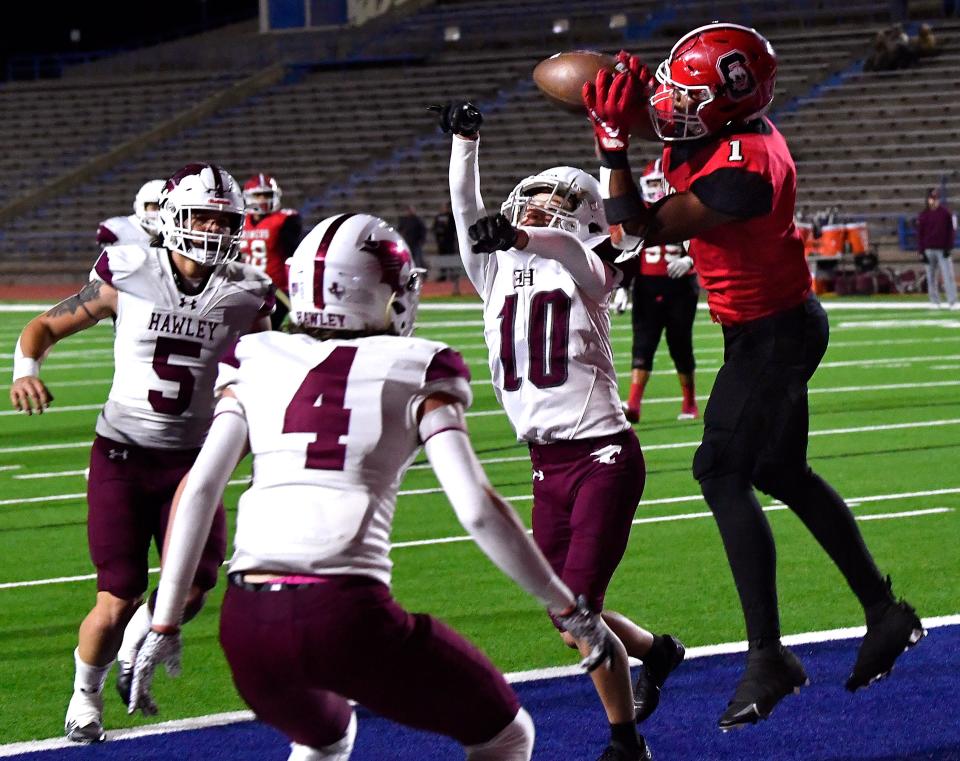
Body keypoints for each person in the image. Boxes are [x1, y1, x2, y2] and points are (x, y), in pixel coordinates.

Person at [126, 212, 614, 761]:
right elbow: (476, 508)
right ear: (382, 292)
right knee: (506, 734)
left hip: (246, 622)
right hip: (344, 611)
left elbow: (199, 488)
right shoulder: (418, 365)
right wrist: (566, 607)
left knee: (323, 739)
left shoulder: (257, 357)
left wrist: (163, 621)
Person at [582, 23, 925, 732]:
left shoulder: (745, 170)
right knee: (782, 470)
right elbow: (674, 123)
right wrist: (637, 87)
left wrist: (613, 144)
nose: (672, 102)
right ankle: (884, 611)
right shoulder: (722, 125)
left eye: (688, 93)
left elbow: (636, 230)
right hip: (769, 323)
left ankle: (769, 655)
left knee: (720, 468)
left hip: (774, 333)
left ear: (725, 107)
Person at [435, 100, 685, 761]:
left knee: (577, 606)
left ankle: (626, 740)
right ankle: (658, 651)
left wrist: (521, 238)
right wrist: (466, 142)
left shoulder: (590, 270)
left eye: (552, 202)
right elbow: (466, 206)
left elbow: (569, 249)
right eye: (533, 200)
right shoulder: (493, 270)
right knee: (562, 611)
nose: (537, 209)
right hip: (546, 463)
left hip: (604, 453)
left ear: (580, 213)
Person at [9, 163, 275, 744]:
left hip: (194, 463)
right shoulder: (128, 271)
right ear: (173, 216)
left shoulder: (249, 291)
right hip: (123, 457)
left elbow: (267, 365)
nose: (212, 227)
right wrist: (25, 369)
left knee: (197, 586)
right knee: (117, 594)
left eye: (224, 218)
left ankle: (139, 641)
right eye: (202, 214)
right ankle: (86, 694)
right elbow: (43, 328)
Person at [615, 159, 699, 424]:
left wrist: (690, 260)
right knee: (643, 344)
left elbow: (705, 241)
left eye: (656, 183)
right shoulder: (637, 214)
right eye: (649, 183)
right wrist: (621, 288)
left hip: (681, 288)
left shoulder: (683, 208)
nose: (653, 189)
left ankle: (690, 403)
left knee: (680, 344)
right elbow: (627, 255)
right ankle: (634, 405)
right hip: (646, 288)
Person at [240, 173, 304, 329]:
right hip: (245, 287)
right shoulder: (240, 220)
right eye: (258, 195)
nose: (262, 199)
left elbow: (294, 253)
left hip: (276, 290)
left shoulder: (285, 220)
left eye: (266, 194)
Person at [916, 188, 958, 309]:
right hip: (928, 249)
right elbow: (920, 234)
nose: (933, 201)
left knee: (948, 276)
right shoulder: (923, 215)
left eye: (935, 199)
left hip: (942, 249)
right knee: (931, 277)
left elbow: (951, 232)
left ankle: (952, 301)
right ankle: (934, 301)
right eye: (931, 199)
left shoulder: (945, 213)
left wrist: (948, 247)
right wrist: (921, 251)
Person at [96, 179, 165, 247]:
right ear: (140, 206)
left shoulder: (175, 232)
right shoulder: (117, 228)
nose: (160, 211)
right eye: (155, 206)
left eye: (168, 207)